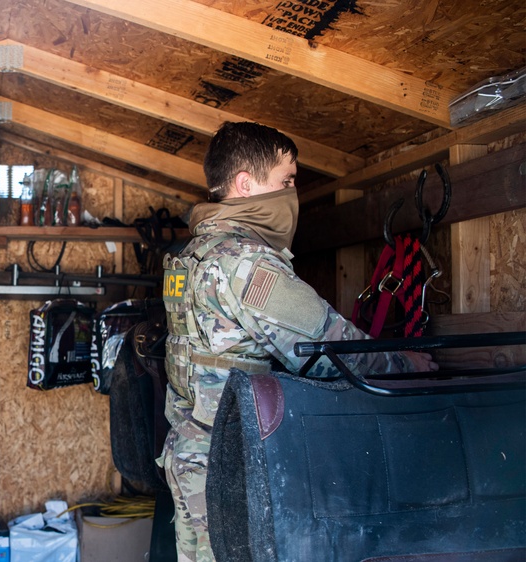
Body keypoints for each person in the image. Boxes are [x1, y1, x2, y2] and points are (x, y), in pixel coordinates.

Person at [158, 121, 437, 562]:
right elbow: (331, 348)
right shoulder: (245, 263)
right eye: (285, 181)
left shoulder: (192, 256)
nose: (292, 194)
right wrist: (406, 364)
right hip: (230, 468)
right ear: (245, 184)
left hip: (193, 455)